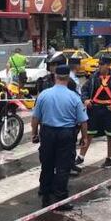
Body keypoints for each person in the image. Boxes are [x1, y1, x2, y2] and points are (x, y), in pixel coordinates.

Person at [31, 65, 89, 209]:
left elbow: (35, 118)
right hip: (66, 134)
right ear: (68, 77)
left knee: (47, 163)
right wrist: (85, 137)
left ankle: (45, 190)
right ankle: (60, 198)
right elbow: (83, 121)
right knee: (63, 167)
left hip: (47, 132)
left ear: (55, 76)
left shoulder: (44, 95)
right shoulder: (74, 97)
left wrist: (34, 133)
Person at [78, 55, 111, 169]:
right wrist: (85, 100)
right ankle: (80, 157)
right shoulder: (94, 76)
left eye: (101, 64)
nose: (99, 66)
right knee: (88, 133)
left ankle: (110, 159)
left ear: (108, 65)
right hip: (94, 109)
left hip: (110, 110)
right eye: (99, 64)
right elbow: (84, 89)